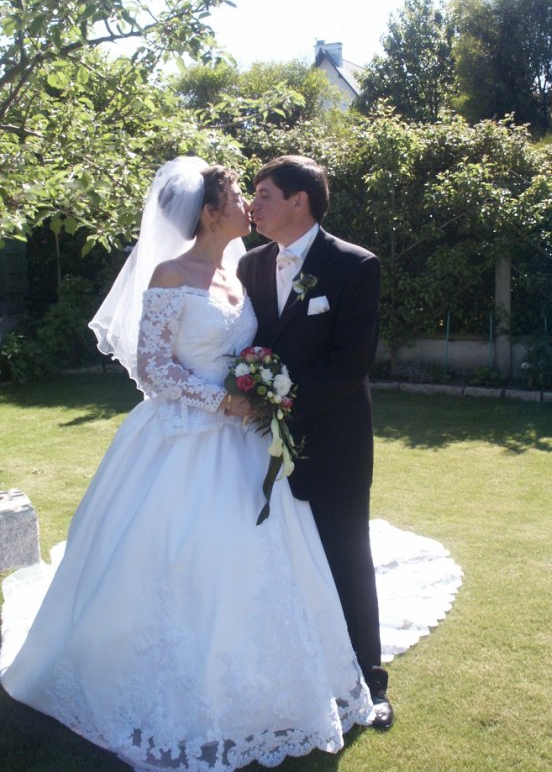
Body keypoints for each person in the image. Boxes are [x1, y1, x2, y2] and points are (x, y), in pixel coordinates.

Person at [0, 157, 374, 771]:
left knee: (263, 559)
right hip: (180, 441)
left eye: (259, 194)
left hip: (245, 441)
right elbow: (153, 368)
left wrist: (253, 391)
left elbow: (258, 346)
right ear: (208, 212)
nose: (249, 205)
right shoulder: (171, 274)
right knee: (178, 555)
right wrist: (221, 399)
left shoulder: (241, 271)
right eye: (238, 195)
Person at [237, 155, 394, 729]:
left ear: (298, 201)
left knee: (348, 556)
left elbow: (351, 363)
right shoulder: (250, 266)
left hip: (335, 440)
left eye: (264, 193)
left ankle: (369, 680)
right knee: (280, 557)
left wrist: (278, 401)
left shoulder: (355, 265)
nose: (253, 204)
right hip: (257, 447)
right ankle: (299, 668)